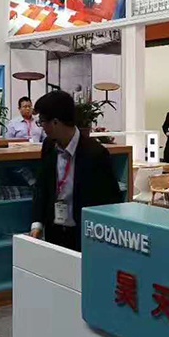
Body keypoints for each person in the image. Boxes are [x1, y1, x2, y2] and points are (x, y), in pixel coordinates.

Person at [30, 90, 122, 252]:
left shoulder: (96, 154)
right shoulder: (49, 146)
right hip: (54, 231)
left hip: (84, 235)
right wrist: (37, 223)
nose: (42, 127)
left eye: (42, 121)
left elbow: (110, 199)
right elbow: (42, 186)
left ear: (56, 122)